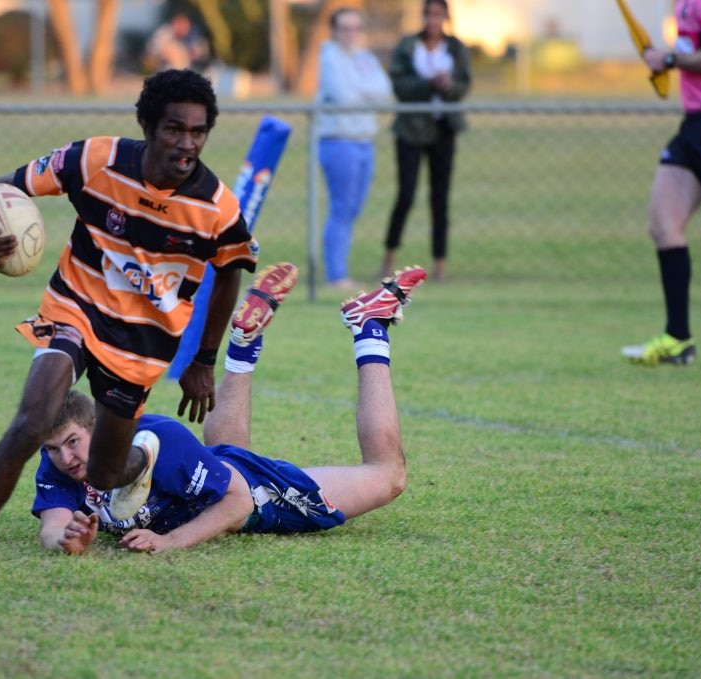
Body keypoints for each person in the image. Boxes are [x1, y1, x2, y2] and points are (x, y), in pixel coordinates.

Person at [0, 69, 259, 597]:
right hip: (75, 308)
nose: (186, 143)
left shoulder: (217, 207)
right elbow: (3, 187)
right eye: (173, 129)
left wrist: (204, 360)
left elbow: (232, 269)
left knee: (107, 470)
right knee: (32, 421)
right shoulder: (95, 160)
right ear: (146, 124)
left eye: (197, 131)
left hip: (142, 345)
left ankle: (143, 459)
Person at [33, 264, 427, 555]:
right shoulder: (59, 460)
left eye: (72, 442)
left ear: (97, 427)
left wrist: (169, 542)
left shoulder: (156, 442)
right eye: (52, 448)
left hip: (260, 498)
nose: (65, 457)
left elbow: (238, 503)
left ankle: (369, 328)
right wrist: (67, 539)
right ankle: (242, 346)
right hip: (221, 474)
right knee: (225, 457)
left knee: (388, 475)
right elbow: (52, 527)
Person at [621, 0, 701, 366]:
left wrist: (670, 60)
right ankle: (678, 339)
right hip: (695, 128)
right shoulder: (683, 3)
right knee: (663, 225)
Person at [379, 0, 471, 283]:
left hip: (443, 129)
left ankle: (440, 264)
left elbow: (464, 85)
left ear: (445, 16)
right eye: (429, 13)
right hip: (411, 130)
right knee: (406, 195)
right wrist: (428, 83)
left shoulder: (455, 47)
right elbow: (399, 85)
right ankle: (389, 259)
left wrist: (447, 86)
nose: (433, 19)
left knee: (439, 198)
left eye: (438, 14)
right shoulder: (408, 46)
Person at [316, 7, 393, 291]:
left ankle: (340, 270)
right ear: (334, 30)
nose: (351, 34)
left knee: (354, 208)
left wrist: (359, 89)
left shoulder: (365, 58)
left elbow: (384, 91)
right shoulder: (329, 57)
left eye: (356, 28)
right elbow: (342, 95)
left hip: (364, 141)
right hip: (339, 140)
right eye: (345, 28)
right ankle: (336, 274)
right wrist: (364, 91)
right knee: (341, 208)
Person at [144, 12, 211, 73]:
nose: (185, 29)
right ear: (175, 24)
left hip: (188, 71)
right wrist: (163, 53)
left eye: (186, 27)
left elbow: (202, 53)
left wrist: (193, 54)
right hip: (166, 70)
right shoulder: (165, 33)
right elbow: (152, 49)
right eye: (182, 26)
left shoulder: (194, 34)